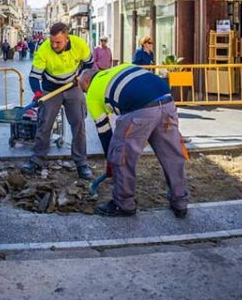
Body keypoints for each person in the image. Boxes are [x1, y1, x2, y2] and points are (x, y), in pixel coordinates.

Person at [78, 64, 189, 218]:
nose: (85, 93)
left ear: (86, 83)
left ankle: (123, 204)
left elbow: (104, 131)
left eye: (83, 90)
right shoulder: (118, 68)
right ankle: (180, 201)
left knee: (122, 156)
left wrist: (111, 159)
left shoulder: (92, 94)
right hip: (166, 100)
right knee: (172, 155)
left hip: (139, 109)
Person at [23, 22, 94, 178]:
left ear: (67, 38)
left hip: (73, 87)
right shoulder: (43, 50)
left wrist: (81, 76)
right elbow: (34, 76)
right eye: (52, 41)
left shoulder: (79, 44)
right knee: (44, 124)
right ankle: (37, 159)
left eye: (58, 42)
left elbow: (89, 64)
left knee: (79, 125)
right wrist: (37, 92)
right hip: (50, 89)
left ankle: (81, 163)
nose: (54, 45)